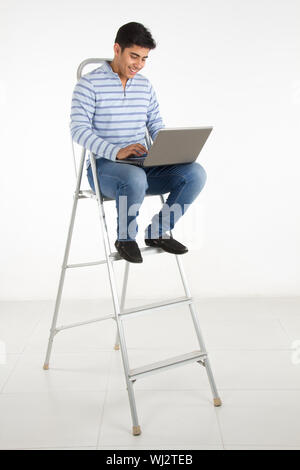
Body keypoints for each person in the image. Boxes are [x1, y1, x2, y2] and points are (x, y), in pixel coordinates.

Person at [70, 22, 207, 263]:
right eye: (134, 56)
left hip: (143, 165)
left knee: (195, 173)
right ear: (117, 49)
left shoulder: (144, 85)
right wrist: (117, 152)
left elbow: (155, 123)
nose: (139, 64)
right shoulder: (89, 85)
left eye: (144, 58)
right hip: (104, 169)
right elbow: (78, 130)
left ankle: (156, 232)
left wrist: (170, 149)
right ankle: (125, 238)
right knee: (134, 178)